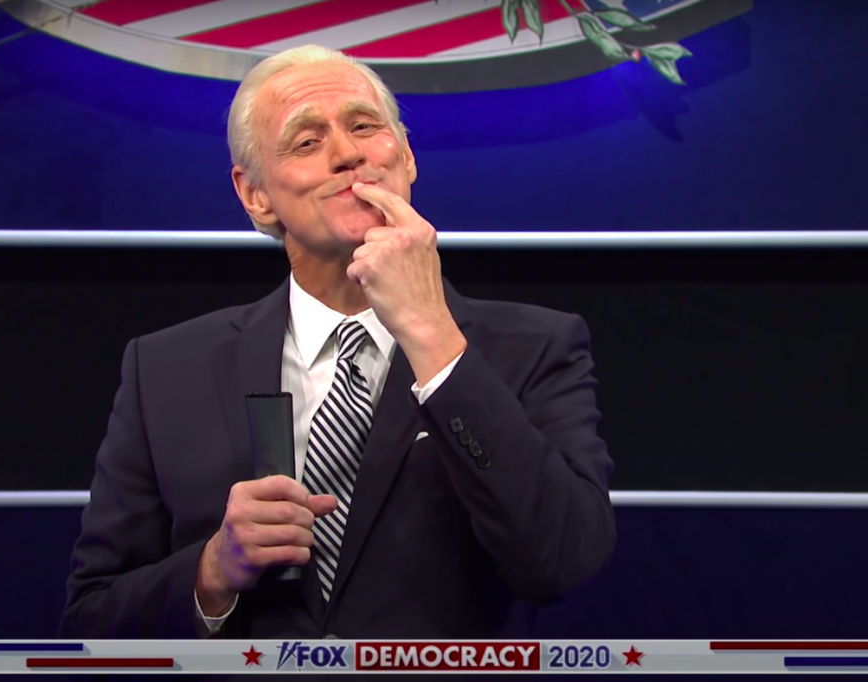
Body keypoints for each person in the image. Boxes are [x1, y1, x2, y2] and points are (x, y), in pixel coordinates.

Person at [59, 44, 615, 642]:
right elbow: (92, 624)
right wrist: (212, 572)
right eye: (306, 141)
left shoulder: (536, 348)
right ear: (255, 194)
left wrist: (432, 335)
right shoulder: (166, 370)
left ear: (406, 157)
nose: (348, 153)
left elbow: (564, 561)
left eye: (365, 126)